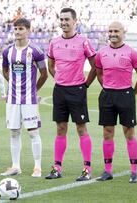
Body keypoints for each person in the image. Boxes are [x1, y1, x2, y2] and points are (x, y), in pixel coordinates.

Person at [46, 7, 97, 181]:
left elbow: (96, 66)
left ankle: (87, 168)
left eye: (67, 19)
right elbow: (51, 66)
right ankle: (57, 167)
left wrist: (86, 85)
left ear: (75, 21)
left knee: (81, 128)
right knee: (60, 129)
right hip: (59, 90)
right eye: (61, 19)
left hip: (77, 90)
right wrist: (59, 78)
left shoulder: (83, 41)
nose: (64, 23)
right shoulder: (54, 42)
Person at [94, 21, 137, 183]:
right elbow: (99, 74)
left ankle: (134, 172)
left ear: (123, 32)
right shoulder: (101, 53)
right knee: (107, 133)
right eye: (110, 31)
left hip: (125, 95)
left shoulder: (131, 53)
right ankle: (107, 171)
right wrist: (109, 88)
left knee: (129, 133)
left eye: (116, 30)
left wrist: (131, 93)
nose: (113, 33)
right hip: (107, 96)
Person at [0, 18, 48, 178]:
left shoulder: (36, 51)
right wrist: (13, 84)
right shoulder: (7, 51)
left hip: (29, 99)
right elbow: (5, 70)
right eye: (16, 29)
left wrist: (34, 89)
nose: (18, 32)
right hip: (12, 99)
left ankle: (37, 167)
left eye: (21, 29)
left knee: (33, 132)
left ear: (28, 30)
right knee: (14, 132)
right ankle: (15, 166)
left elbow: (44, 74)